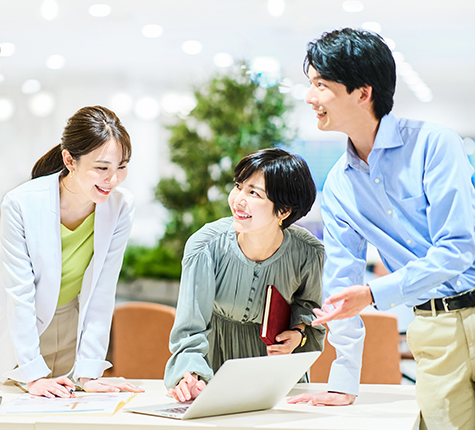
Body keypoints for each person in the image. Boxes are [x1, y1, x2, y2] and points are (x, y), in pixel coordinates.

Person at [286, 28, 475, 429]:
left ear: (362, 93)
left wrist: (373, 293)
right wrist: (343, 380)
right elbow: (342, 286)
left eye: (321, 85)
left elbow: (458, 249)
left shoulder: (435, 145)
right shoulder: (339, 186)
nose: (310, 97)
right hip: (432, 328)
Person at [0, 106, 144, 398]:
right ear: (69, 160)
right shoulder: (21, 203)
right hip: (10, 331)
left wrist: (89, 372)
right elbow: (19, 293)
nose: (113, 180)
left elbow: (102, 290)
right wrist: (32, 374)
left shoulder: (121, 206)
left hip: (68, 328)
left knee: (60, 412)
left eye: (122, 166)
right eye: (102, 168)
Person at [164, 148, 325, 402]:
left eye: (253, 193)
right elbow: (190, 329)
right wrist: (190, 375)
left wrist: (298, 333)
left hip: (275, 369)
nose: (238, 200)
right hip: (216, 362)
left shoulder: (308, 251)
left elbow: (309, 307)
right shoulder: (205, 247)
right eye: (238, 186)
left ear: (283, 211)